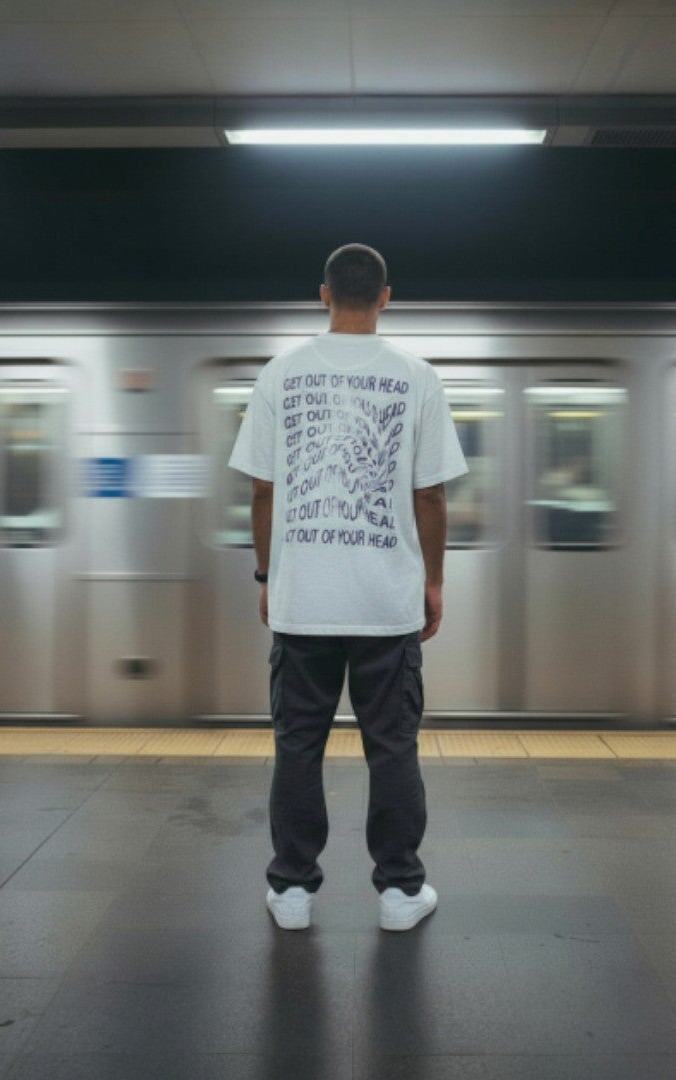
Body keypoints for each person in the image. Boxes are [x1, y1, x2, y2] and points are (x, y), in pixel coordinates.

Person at [226, 243, 467, 933]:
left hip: (303, 603)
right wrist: (433, 580)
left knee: (297, 744)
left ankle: (293, 891)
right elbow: (431, 495)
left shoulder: (282, 373)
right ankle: (398, 892)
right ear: (386, 297)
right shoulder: (417, 376)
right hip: (385, 603)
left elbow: (263, 488)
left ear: (323, 295)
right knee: (391, 746)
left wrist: (270, 575)